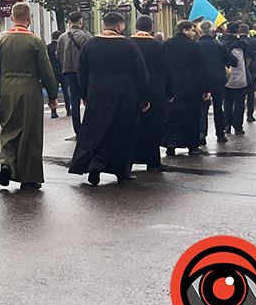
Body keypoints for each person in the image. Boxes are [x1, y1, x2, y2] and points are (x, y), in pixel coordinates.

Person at [69, 12, 151, 185]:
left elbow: (81, 72)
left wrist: (84, 94)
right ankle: (121, 171)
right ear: (120, 26)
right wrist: (145, 96)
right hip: (125, 96)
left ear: (104, 24)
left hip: (97, 94)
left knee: (98, 131)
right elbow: (141, 72)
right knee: (122, 132)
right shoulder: (128, 45)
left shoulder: (90, 45)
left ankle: (95, 164)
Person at [0, 3, 59, 191]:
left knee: (9, 129)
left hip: (7, 90)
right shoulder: (35, 42)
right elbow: (46, 71)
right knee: (30, 134)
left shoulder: (0, 40)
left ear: (12, 17)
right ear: (29, 19)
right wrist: (52, 95)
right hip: (30, 92)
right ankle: (29, 178)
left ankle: (6, 163)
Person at [130, 16, 172, 171]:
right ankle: (152, 161)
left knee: (133, 126)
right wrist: (169, 92)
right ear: (151, 28)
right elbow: (167, 71)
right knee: (154, 127)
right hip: (155, 91)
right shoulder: (158, 46)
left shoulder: (128, 44)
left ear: (136, 26)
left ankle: (130, 158)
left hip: (132, 91)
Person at [163, 21, 208, 157]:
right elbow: (201, 69)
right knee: (192, 117)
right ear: (185, 30)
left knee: (172, 117)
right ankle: (192, 145)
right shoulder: (194, 46)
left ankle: (170, 143)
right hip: (191, 87)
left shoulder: (167, 44)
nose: (193, 33)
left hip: (172, 86)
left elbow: (163, 66)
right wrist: (205, 88)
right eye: (192, 30)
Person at [197, 21, 237, 144]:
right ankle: (220, 134)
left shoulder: (196, 45)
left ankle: (201, 133)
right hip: (218, 80)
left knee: (202, 108)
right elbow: (233, 61)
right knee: (218, 107)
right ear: (212, 31)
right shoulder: (219, 45)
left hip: (201, 80)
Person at [56, 12, 93, 137]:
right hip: (83, 72)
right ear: (81, 21)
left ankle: (78, 130)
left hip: (68, 71)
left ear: (69, 22)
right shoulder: (86, 36)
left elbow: (58, 55)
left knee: (74, 100)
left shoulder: (62, 37)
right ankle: (89, 127)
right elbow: (90, 55)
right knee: (88, 99)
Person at [218, 24, 250, 136]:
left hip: (226, 76)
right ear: (237, 31)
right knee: (239, 103)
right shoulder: (242, 43)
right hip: (241, 76)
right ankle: (238, 127)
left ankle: (227, 125)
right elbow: (251, 56)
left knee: (227, 102)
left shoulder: (221, 43)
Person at [237, 24, 256, 123]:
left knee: (239, 95)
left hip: (239, 69)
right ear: (248, 31)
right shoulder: (254, 41)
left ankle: (238, 116)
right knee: (250, 93)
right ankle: (250, 115)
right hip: (252, 69)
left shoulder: (236, 41)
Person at [47, 30, 63, 119]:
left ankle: (53, 111)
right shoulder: (60, 46)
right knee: (66, 90)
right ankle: (69, 110)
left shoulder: (48, 47)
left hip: (52, 70)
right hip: (61, 69)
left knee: (54, 91)